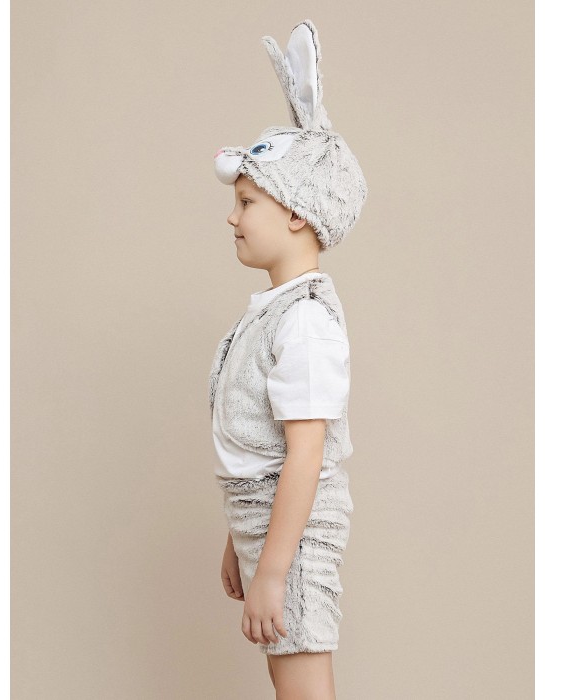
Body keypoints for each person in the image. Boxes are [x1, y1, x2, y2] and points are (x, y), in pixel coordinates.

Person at [209, 19, 367, 699]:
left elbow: (305, 455)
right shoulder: (276, 311)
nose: (233, 216)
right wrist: (238, 539)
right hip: (269, 530)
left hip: (293, 542)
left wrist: (274, 571)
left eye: (247, 201)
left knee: (303, 686)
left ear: (298, 212)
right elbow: (259, 448)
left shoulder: (305, 322)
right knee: (287, 682)